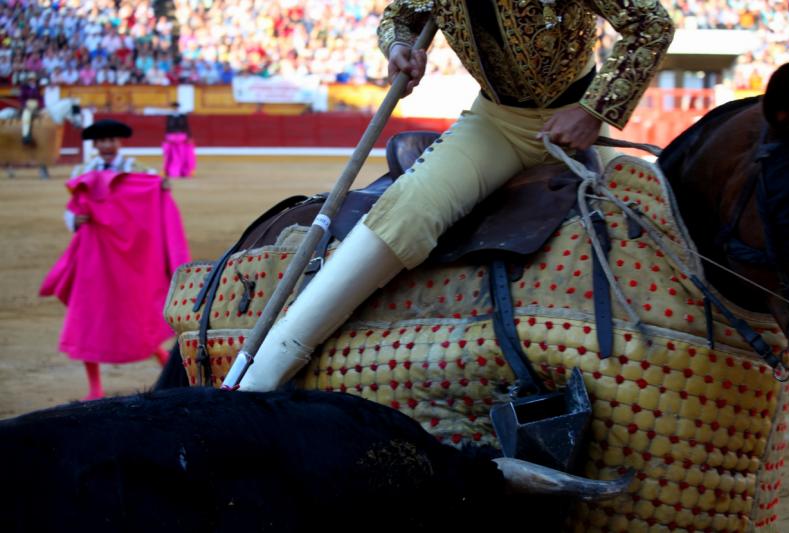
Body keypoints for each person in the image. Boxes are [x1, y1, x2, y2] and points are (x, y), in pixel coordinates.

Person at [237, 0, 675, 392]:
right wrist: (398, 47)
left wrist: (592, 110)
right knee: (405, 211)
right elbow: (399, 16)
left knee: (627, 231)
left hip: (576, 121)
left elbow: (651, 23)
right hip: (498, 125)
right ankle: (266, 369)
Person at [41, 119, 191, 400]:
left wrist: (162, 188)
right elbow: (71, 211)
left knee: (134, 308)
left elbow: (152, 201)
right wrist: (75, 219)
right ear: (95, 145)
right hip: (94, 255)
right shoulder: (82, 172)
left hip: (130, 255)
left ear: (119, 143)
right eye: (101, 142)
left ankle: (159, 356)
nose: (106, 146)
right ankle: (95, 387)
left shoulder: (138, 171)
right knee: (90, 314)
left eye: (111, 141)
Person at [162, 102, 196, 178]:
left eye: (175, 107)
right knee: (173, 155)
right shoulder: (170, 116)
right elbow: (168, 128)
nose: (175, 109)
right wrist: (166, 137)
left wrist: (189, 137)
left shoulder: (182, 116)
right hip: (172, 137)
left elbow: (186, 127)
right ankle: (173, 171)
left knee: (181, 155)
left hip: (181, 137)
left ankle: (182, 171)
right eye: (173, 107)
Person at [19, 72, 43, 145]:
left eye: (33, 79)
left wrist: (40, 105)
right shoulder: (24, 87)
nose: (32, 81)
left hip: (36, 105)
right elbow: (21, 98)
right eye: (30, 79)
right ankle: (25, 135)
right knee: (26, 115)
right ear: (28, 80)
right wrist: (25, 105)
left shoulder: (38, 88)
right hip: (27, 105)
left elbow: (41, 98)